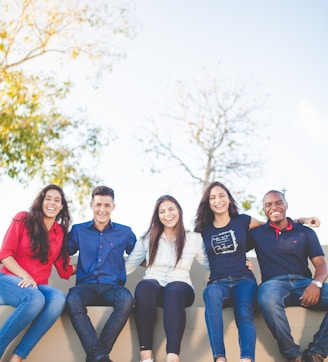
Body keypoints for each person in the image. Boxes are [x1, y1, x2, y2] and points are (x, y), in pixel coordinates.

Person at [193, 181, 318, 362]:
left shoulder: (243, 220)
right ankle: (219, 357)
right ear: (208, 203)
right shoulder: (203, 229)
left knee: (244, 312)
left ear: (229, 199)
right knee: (210, 297)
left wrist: (301, 220)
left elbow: (274, 224)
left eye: (221, 196)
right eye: (212, 198)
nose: (218, 200)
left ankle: (247, 358)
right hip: (217, 281)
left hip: (244, 279)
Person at [125, 195, 210, 362]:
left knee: (174, 289)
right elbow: (129, 265)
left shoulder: (194, 238)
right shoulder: (147, 238)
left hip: (181, 288)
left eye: (171, 209)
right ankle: (146, 356)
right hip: (153, 290)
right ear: (157, 216)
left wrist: (237, 265)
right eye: (162, 211)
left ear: (179, 210)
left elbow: (210, 264)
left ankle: (172, 357)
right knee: (145, 286)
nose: (167, 214)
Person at [247, 190, 328, 362]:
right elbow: (233, 240)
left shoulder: (305, 232)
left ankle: (317, 352)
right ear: (264, 210)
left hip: (304, 285)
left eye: (278, 203)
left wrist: (316, 284)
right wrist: (242, 260)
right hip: (273, 285)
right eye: (268, 205)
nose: (274, 207)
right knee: (266, 298)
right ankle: (292, 355)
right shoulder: (257, 233)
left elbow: (321, 264)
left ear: (286, 205)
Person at [0, 184, 74, 362]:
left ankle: (18, 356)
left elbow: (64, 270)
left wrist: (95, 264)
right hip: (8, 278)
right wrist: (25, 275)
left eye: (57, 200)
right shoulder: (22, 219)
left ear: (62, 206)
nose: (52, 203)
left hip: (37, 285)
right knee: (35, 298)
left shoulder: (60, 233)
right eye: (48, 198)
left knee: (58, 298)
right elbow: (5, 255)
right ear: (41, 201)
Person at [66, 185, 137, 362]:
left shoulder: (125, 232)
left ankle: (97, 356)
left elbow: (141, 255)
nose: (102, 210)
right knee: (72, 299)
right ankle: (101, 357)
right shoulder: (78, 230)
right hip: (85, 287)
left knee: (126, 299)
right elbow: (60, 253)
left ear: (113, 207)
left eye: (107, 205)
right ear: (91, 205)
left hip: (113, 288)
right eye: (98, 205)